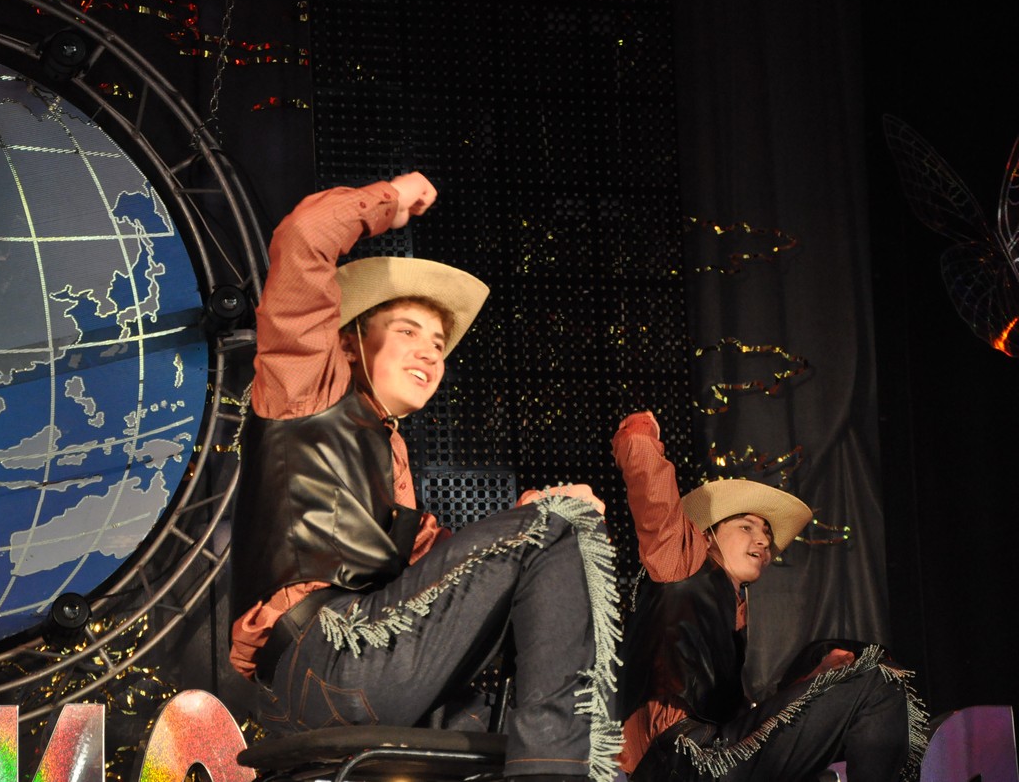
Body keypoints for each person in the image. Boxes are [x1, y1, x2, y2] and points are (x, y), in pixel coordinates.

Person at [229, 172, 624, 782]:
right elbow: (304, 235)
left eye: (438, 343)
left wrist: (530, 511)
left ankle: (555, 760)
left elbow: (453, 578)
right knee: (558, 524)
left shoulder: (390, 454)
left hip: (362, 672)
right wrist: (392, 199)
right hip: (328, 662)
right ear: (351, 342)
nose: (429, 353)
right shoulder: (306, 390)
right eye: (408, 332)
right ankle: (552, 772)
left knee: (555, 536)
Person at [611, 410, 927, 781]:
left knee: (872, 683)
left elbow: (746, 724)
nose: (763, 540)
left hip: (716, 754)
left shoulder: (732, 615)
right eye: (746, 527)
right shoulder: (682, 562)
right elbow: (651, 491)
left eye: (766, 533)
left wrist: (818, 679)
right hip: (679, 761)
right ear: (706, 535)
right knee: (876, 687)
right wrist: (641, 430)